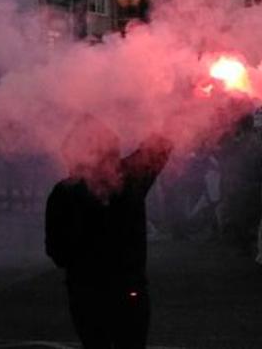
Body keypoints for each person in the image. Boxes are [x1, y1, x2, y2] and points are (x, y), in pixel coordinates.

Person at [45, 117, 173, 349]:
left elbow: (56, 251)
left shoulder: (63, 192)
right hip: (129, 289)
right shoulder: (131, 178)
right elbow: (160, 144)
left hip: (85, 292)